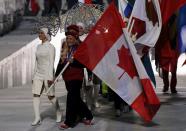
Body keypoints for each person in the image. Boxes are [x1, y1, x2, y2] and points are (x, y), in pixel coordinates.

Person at [55, 25, 93, 129]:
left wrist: (74, 62)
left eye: (71, 37)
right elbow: (61, 61)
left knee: (71, 98)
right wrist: (56, 75)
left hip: (77, 76)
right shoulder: (65, 45)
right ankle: (88, 115)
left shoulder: (81, 47)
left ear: (76, 37)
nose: (68, 39)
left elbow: (85, 64)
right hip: (66, 76)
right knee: (75, 98)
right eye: (67, 37)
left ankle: (68, 122)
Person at [31, 27, 62, 126]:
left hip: (47, 74)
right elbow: (36, 61)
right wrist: (34, 74)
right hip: (38, 74)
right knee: (36, 94)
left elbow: (51, 62)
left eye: (41, 33)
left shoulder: (51, 47)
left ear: (46, 35)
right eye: (39, 33)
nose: (39, 34)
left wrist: (50, 77)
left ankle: (58, 111)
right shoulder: (38, 47)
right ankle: (37, 117)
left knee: (51, 96)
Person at [155, 14, 179, 94]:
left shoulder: (175, 18)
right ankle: (168, 86)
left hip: (172, 47)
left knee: (172, 68)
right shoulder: (164, 18)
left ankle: (170, 86)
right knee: (166, 67)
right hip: (167, 46)